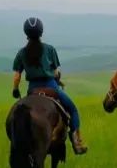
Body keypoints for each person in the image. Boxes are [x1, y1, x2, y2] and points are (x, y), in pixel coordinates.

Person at [12, 17, 87, 154]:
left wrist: (15, 90)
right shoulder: (50, 49)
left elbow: (17, 76)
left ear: (26, 33)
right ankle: (76, 142)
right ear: (41, 32)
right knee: (73, 109)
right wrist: (57, 78)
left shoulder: (21, 53)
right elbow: (56, 72)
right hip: (51, 87)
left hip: (33, 89)